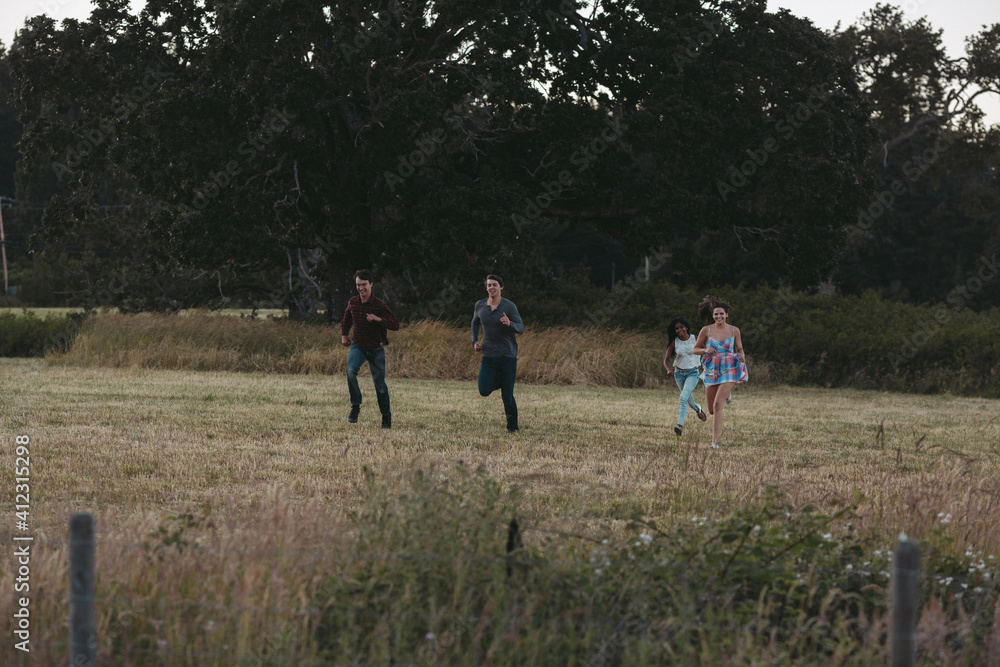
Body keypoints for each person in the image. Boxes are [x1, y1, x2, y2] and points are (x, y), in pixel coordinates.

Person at [341, 269, 400, 428]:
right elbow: (347, 318)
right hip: (358, 345)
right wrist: (344, 335)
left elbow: (395, 324)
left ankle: (386, 417)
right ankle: (355, 406)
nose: (361, 288)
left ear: (371, 284)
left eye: (364, 285)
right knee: (351, 371)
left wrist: (377, 319)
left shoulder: (379, 304)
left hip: (376, 349)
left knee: (380, 386)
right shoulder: (353, 302)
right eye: (358, 285)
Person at [692, 295, 748, 448]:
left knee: (718, 405)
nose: (719, 316)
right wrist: (705, 349)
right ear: (712, 315)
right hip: (712, 369)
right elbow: (695, 349)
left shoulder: (734, 330)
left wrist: (742, 356)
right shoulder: (706, 330)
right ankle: (727, 394)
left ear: (727, 315)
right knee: (711, 410)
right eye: (716, 314)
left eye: (721, 314)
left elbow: (740, 348)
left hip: (730, 367)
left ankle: (714, 442)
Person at [472, 275, 524, 432]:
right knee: (483, 390)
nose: (491, 288)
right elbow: (475, 322)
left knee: (507, 398)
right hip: (488, 356)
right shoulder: (480, 305)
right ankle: (504, 382)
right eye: (488, 285)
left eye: (494, 285)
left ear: (501, 287)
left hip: (507, 357)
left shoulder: (509, 306)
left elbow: (521, 328)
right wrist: (474, 341)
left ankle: (513, 429)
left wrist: (510, 324)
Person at [663, 316, 708, 436]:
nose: (679, 330)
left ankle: (680, 427)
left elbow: (706, 351)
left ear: (686, 327)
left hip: (692, 373)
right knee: (688, 400)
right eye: (676, 328)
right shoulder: (674, 342)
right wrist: (668, 370)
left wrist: (706, 365)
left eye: (681, 327)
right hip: (679, 374)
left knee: (683, 398)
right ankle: (698, 409)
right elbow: (666, 360)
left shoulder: (696, 338)